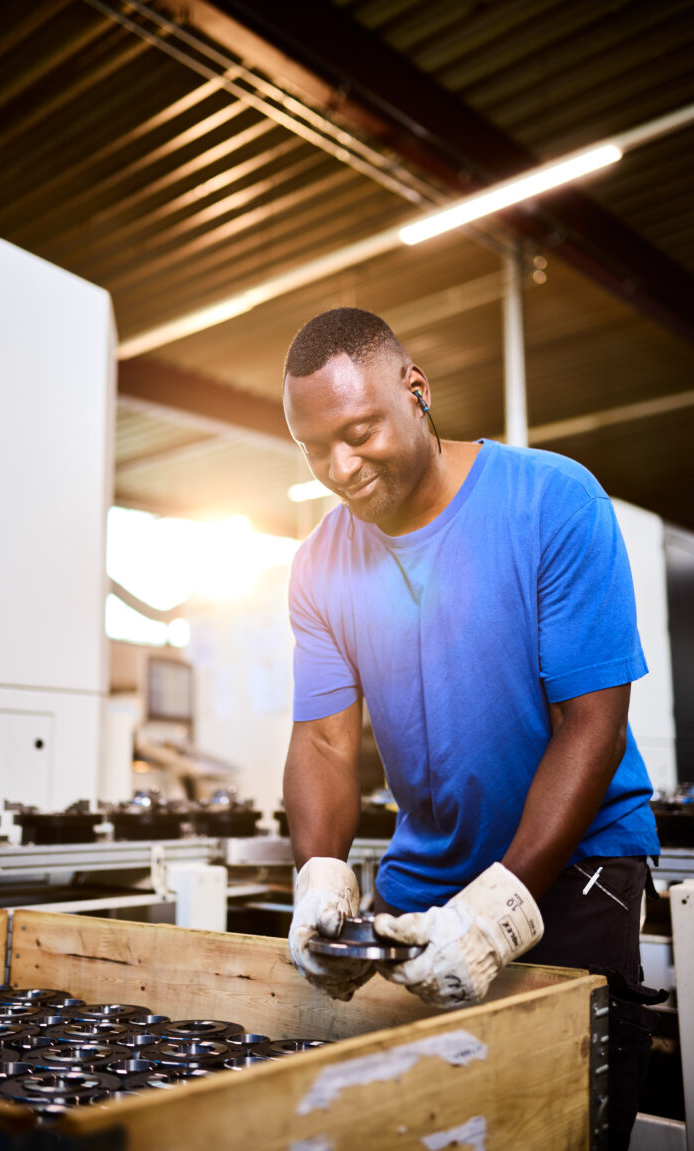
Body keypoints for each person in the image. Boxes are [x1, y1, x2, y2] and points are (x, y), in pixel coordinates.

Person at [281, 307, 662, 1150]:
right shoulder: (317, 564)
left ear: (415, 392)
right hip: (423, 885)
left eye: (359, 430)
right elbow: (322, 742)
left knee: (558, 1121)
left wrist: (498, 911)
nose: (339, 467)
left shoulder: (552, 501)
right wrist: (317, 874)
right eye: (315, 447)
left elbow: (591, 725)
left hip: (573, 875)